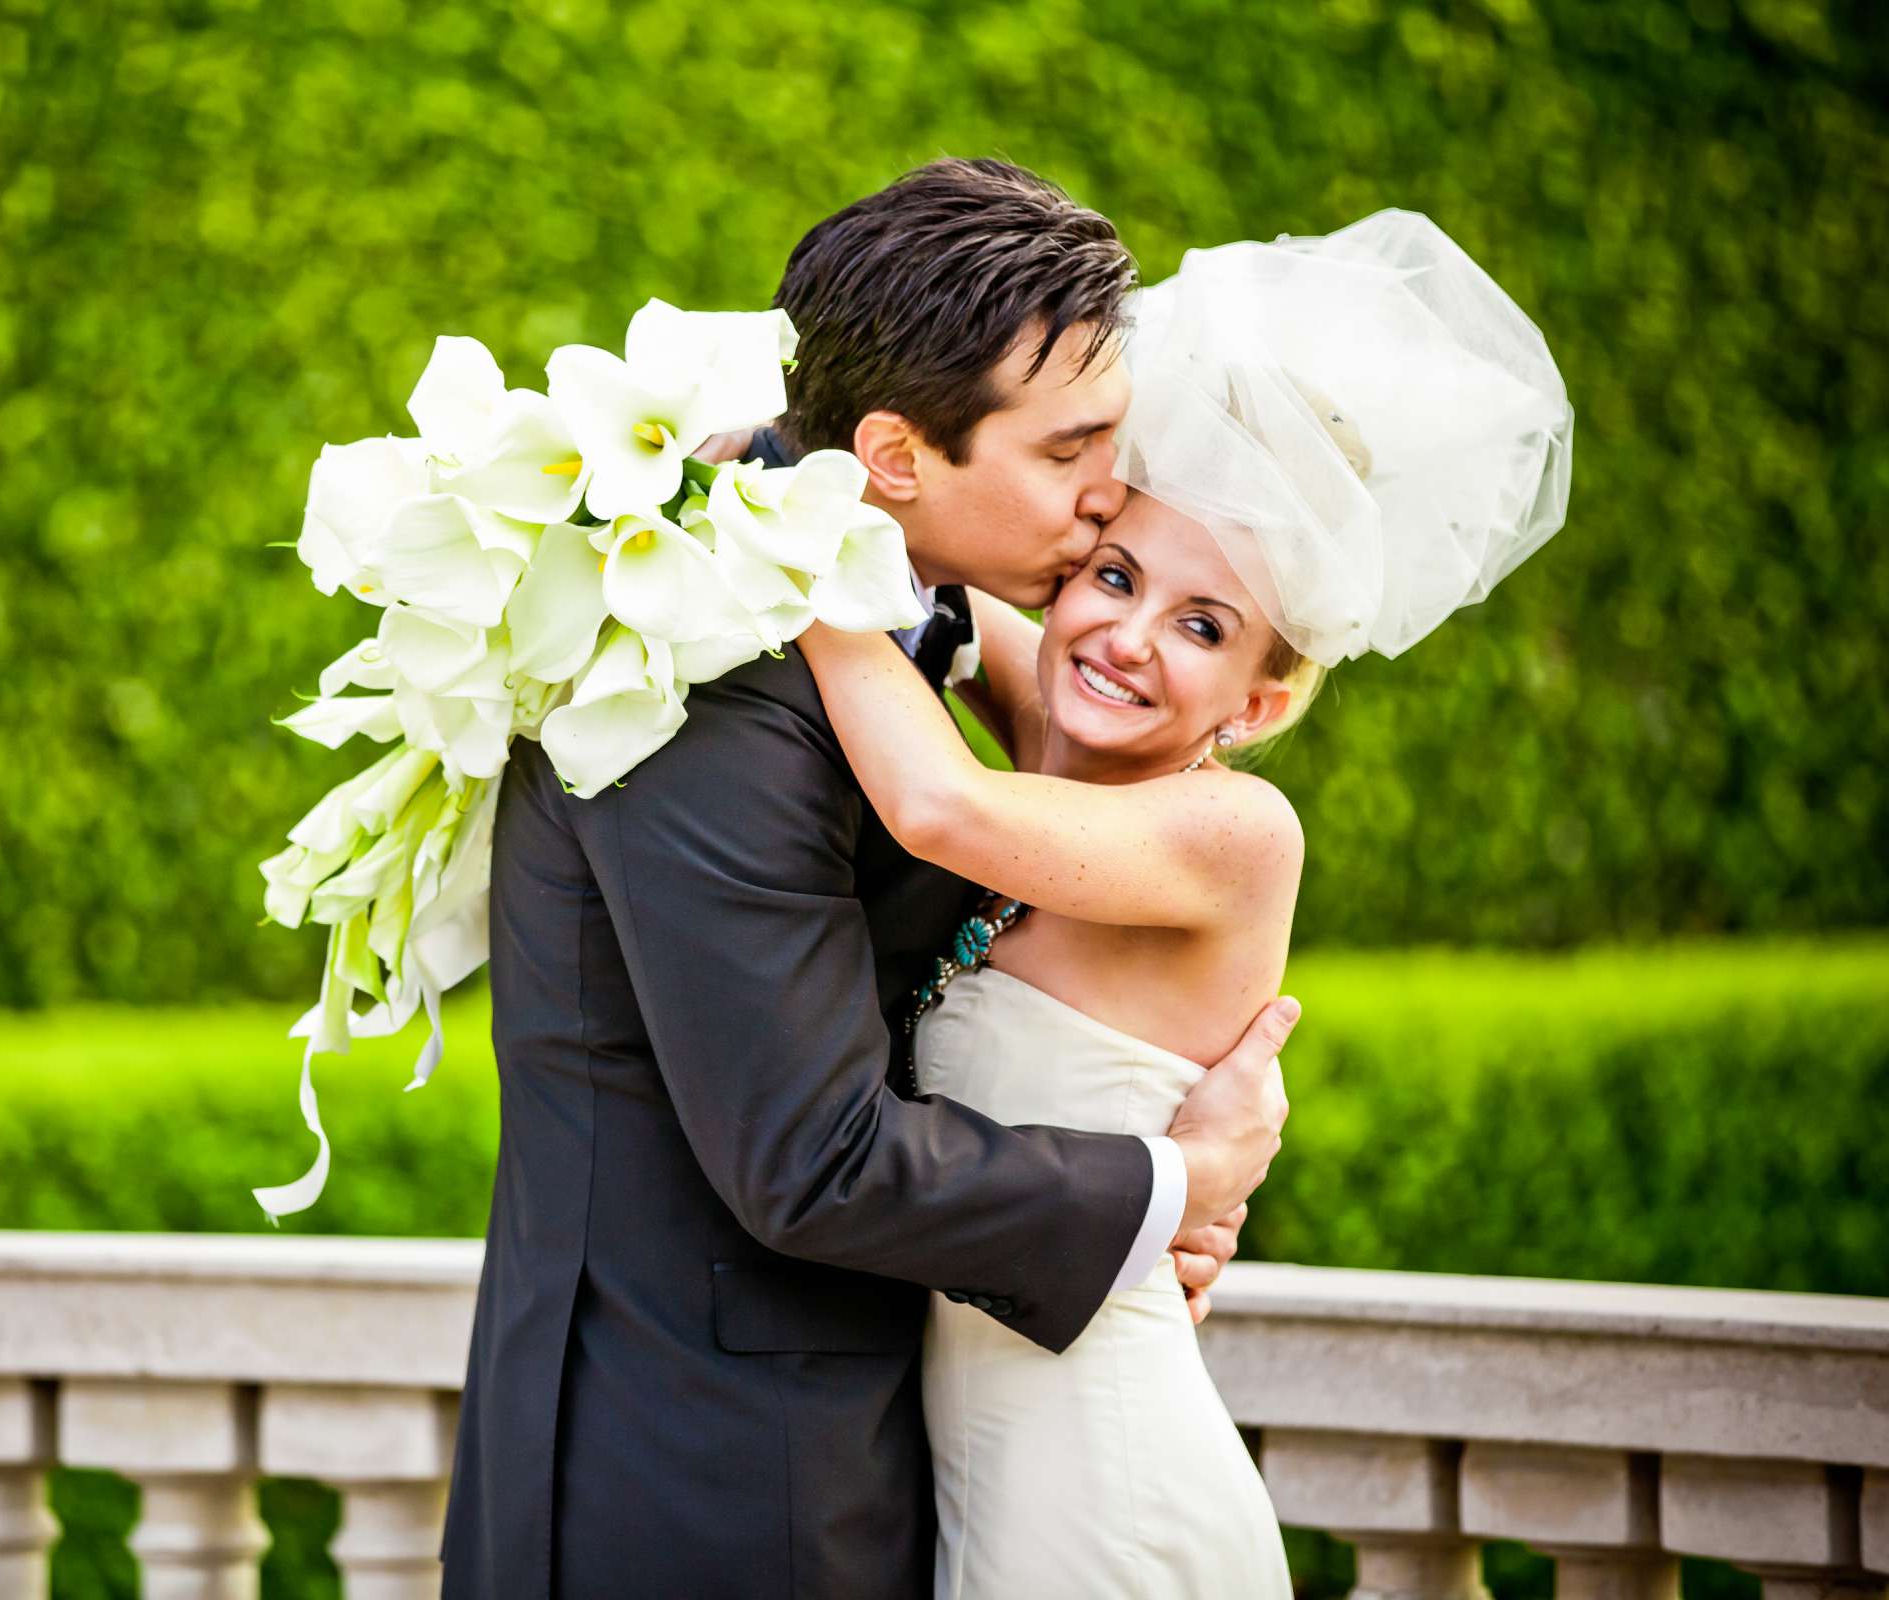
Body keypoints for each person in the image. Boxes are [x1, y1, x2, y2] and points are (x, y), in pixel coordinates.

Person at [440, 157, 1296, 1599]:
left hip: (856, 1452)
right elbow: (811, 1160)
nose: (1110, 501)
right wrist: (1167, 1183)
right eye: (1070, 451)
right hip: (706, 1485)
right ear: (896, 460)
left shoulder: (889, 622)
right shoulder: (698, 680)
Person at [797, 208, 1573, 1597]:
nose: (1130, 637)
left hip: (1106, 1495)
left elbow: (939, 808)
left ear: (1262, 700)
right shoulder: (1072, 740)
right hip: (976, 1482)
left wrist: (770, 540)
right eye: (1114, 575)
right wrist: (843, 444)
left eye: (1204, 627)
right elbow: (961, 602)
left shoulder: (1230, 832)